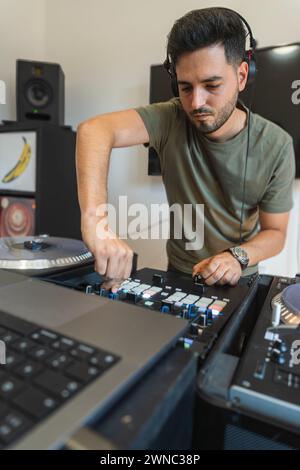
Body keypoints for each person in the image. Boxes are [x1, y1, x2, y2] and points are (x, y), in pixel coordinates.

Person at [76, 7, 295, 291]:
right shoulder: (170, 117)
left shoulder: (277, 144)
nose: (195, 103)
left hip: (241, 278)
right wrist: (96, 225)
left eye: (211, 85)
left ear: (242, 76)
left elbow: (275, 233)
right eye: (186, 88)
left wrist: (237, 256)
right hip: (179, 274)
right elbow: (93, 130)